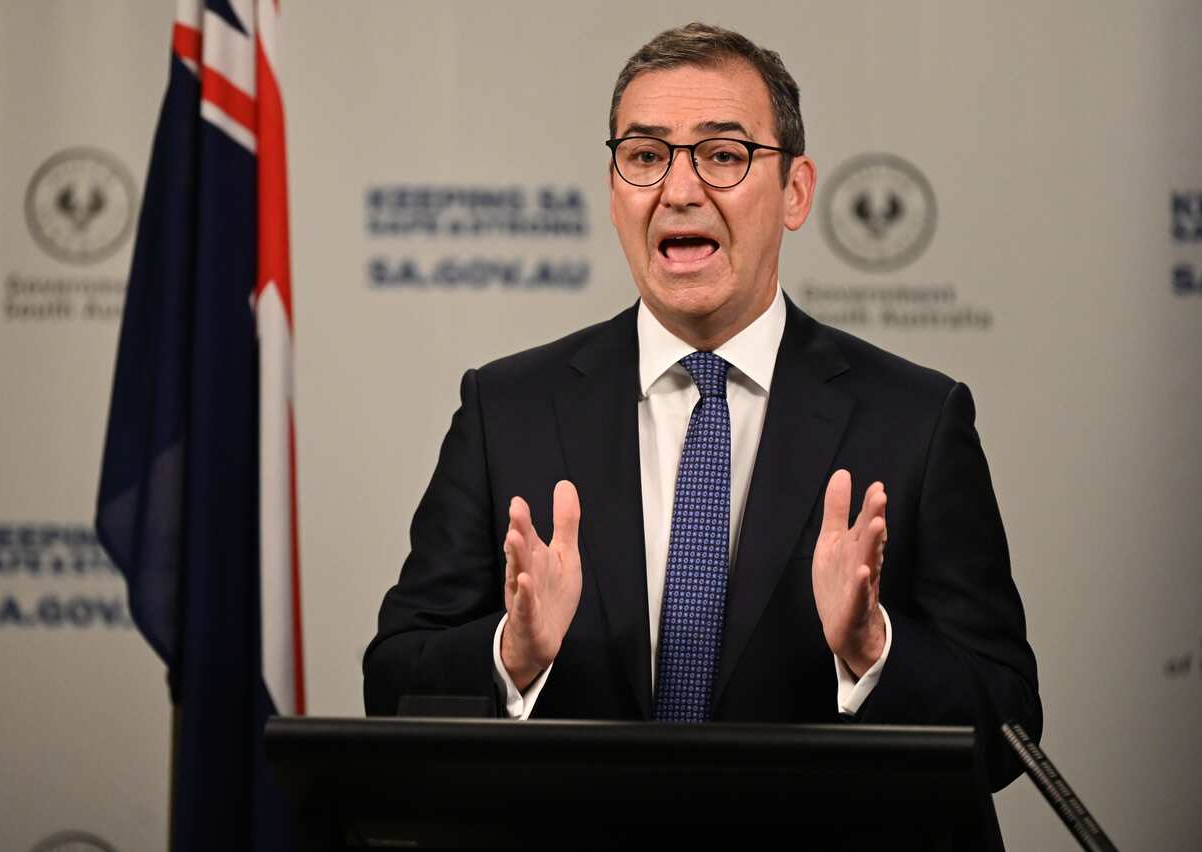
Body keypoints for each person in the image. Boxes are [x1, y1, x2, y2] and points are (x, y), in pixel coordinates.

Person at [364, 22, 1041, 848]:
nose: (678, 190)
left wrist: (874, 649)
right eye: (646, 156)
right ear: (614, 190)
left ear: (795, 192)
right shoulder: (505, 409)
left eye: (722, 155)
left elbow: (1008, 723)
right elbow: (391, 678)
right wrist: (514, 651)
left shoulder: (916, 420)